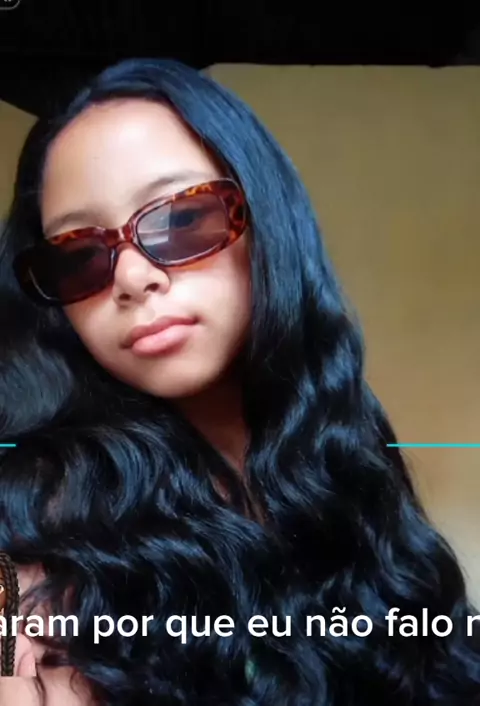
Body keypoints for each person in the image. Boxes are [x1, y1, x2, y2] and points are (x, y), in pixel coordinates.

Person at [0, 57, 478, 706]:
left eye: (181, 220)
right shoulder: (36, 537)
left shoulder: (348, 460)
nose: (133, 278)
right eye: (79, 256)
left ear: (267, 222)